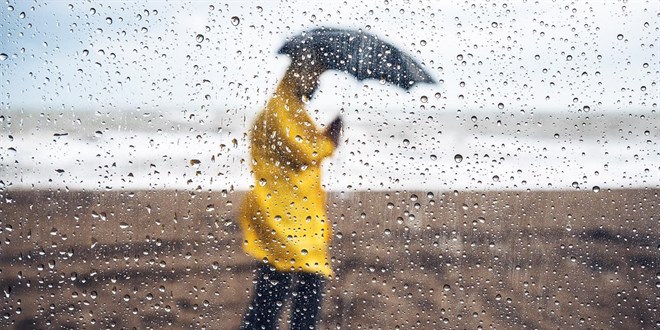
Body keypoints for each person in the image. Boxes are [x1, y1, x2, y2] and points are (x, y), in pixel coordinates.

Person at [239, 53, 342, 330]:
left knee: (278, 291)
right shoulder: (280, 109)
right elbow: (302, 150)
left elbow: (299, 146)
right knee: (292, 289)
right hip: (283, 215)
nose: (316, 83)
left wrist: (324, 138)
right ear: (300, 74)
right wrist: (329, 141)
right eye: (313, 76)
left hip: (294, 213)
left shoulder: (290, 109)